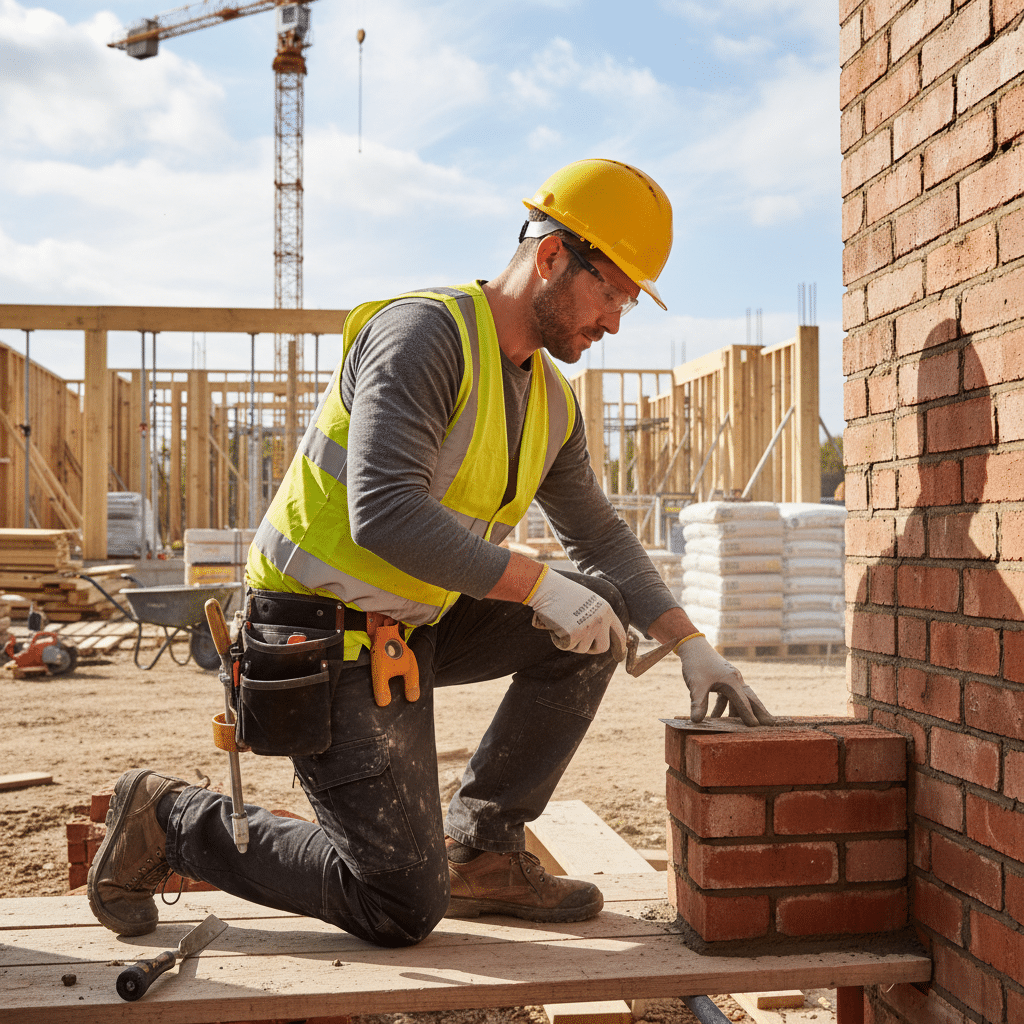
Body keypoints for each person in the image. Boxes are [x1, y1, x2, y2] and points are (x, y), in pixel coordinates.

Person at [88, 158, 774, 949]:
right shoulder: (424, 336)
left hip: (411, 626)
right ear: (553, 256)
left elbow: (602, 537)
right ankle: (166, 817)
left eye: (627, 302)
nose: (615, 322)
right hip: (316, 632)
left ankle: (483, 849)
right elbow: (382, 513)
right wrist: (541, 588)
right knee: (399, 905)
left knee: (603, 612)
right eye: (613, 293)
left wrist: (689, 644)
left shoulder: (551, 402)